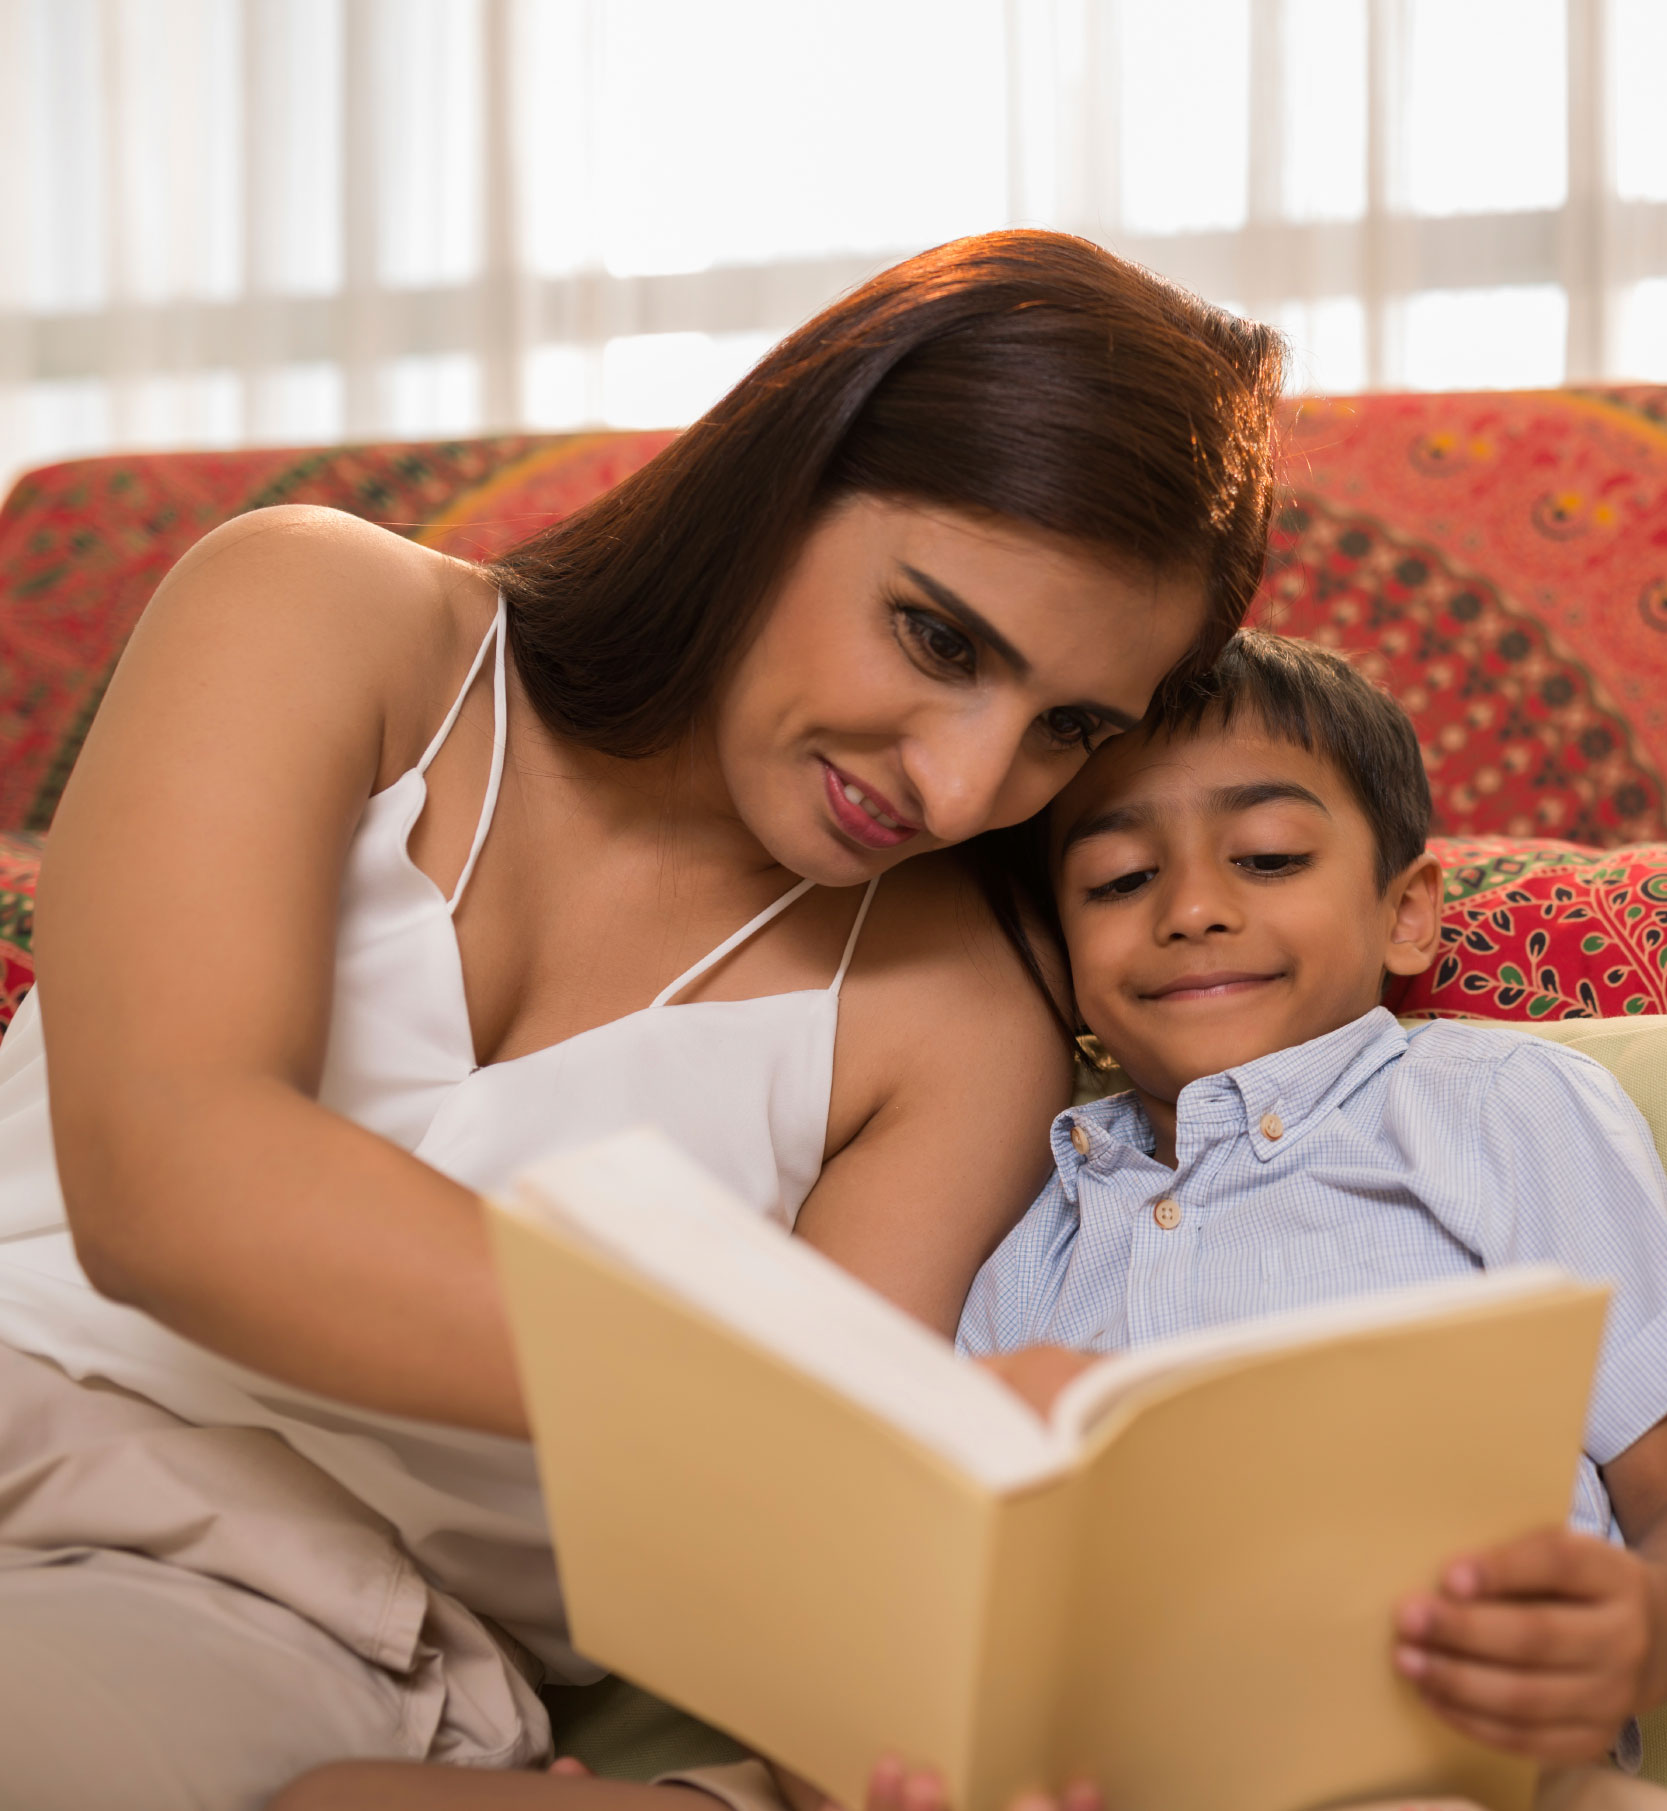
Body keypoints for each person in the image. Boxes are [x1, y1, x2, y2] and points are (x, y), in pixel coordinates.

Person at [0, 231, 1283, 1811]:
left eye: (1065, 729)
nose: (959, 786)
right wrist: (850, 1394)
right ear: (776, 477)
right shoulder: (318, 606)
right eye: (940, 639)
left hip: (256, 1603)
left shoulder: (952, 1018)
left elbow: (809, 1556)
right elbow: (173, 1181)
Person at [962, 631, 1667, 1807]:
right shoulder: (1037, 1236)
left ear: (1407, 913)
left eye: (1267, 854)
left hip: (1469, 1762)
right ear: (1061, 957)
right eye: (1119, 880)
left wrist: (1644, 1628)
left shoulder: (1491, 1106)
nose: (1190, 906)